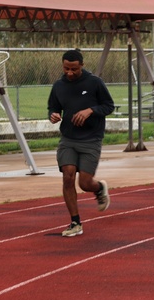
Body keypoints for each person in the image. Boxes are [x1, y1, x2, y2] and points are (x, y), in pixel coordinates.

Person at [47, 49, 115, 237]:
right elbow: (53, 107)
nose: (69, 73)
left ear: (82, 66)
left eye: (74, 69)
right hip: (68, 139)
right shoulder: (59, 85)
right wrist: (53, 115)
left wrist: (90, 110)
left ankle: (99, 188)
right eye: (66, 68)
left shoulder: (94, 83)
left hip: (91, 139)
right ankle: (75, 222)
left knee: (84, 183)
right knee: (68, 177)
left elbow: (109, 106)